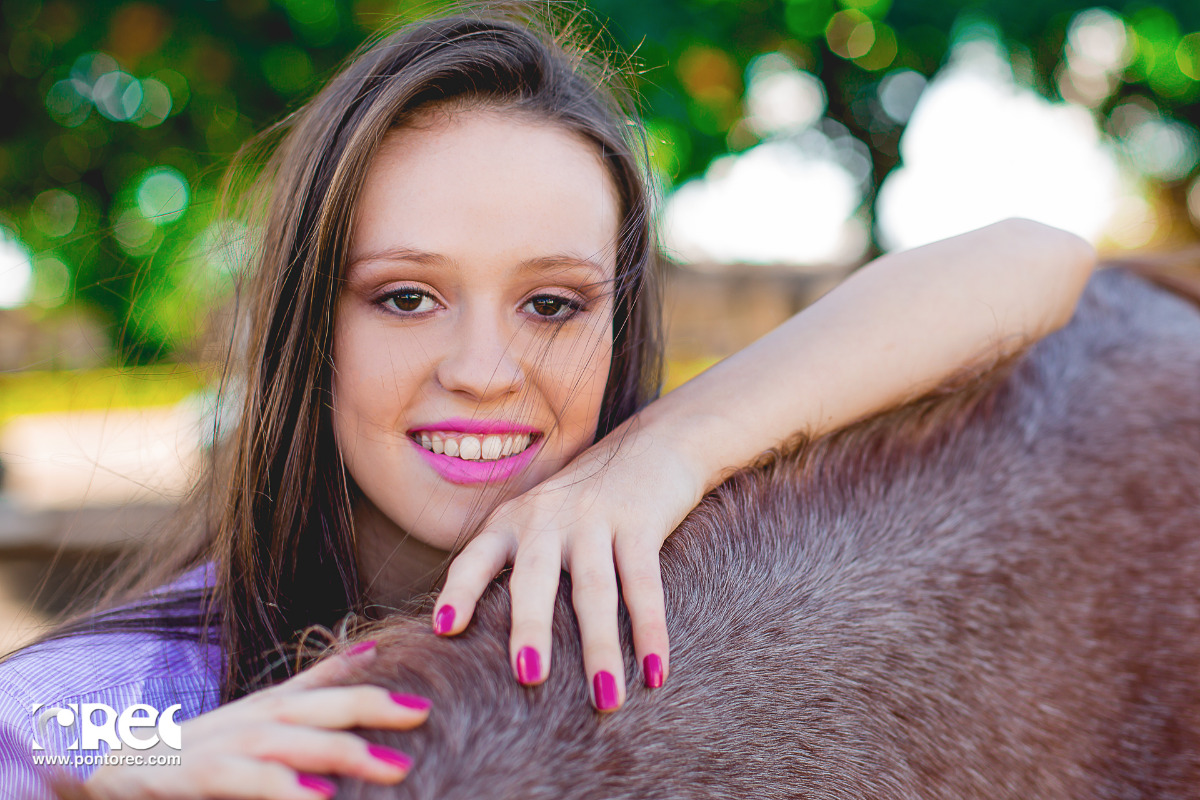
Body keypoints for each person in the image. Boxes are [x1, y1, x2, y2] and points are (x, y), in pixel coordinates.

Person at [0, 3, 1096, 798]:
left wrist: (670, 448)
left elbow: (1038, 257)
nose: (485, 367)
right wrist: (126, 770)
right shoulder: (143, 683)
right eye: (408, 295)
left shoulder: (686, 583)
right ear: (309, 328)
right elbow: (40, 741)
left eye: (555, 304)